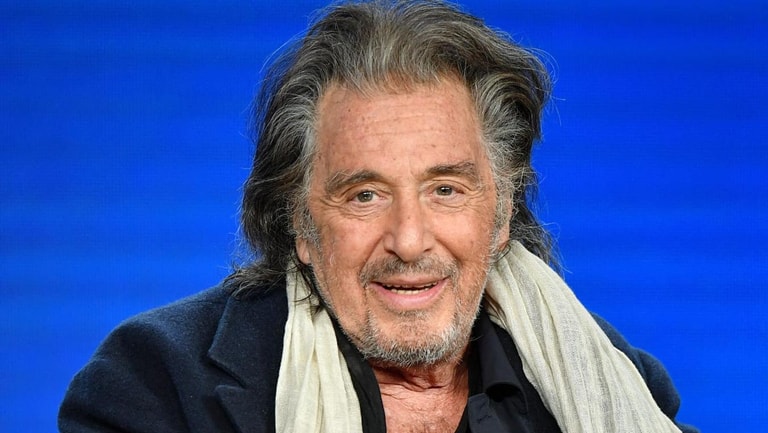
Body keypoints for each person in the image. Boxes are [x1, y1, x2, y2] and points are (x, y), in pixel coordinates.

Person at [59, 1, 698, 432]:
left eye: (445, 189)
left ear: (502, 214)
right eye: (364, 195)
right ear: (299, 223)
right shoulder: (156, 386)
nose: (409, 240)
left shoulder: (621, 384)